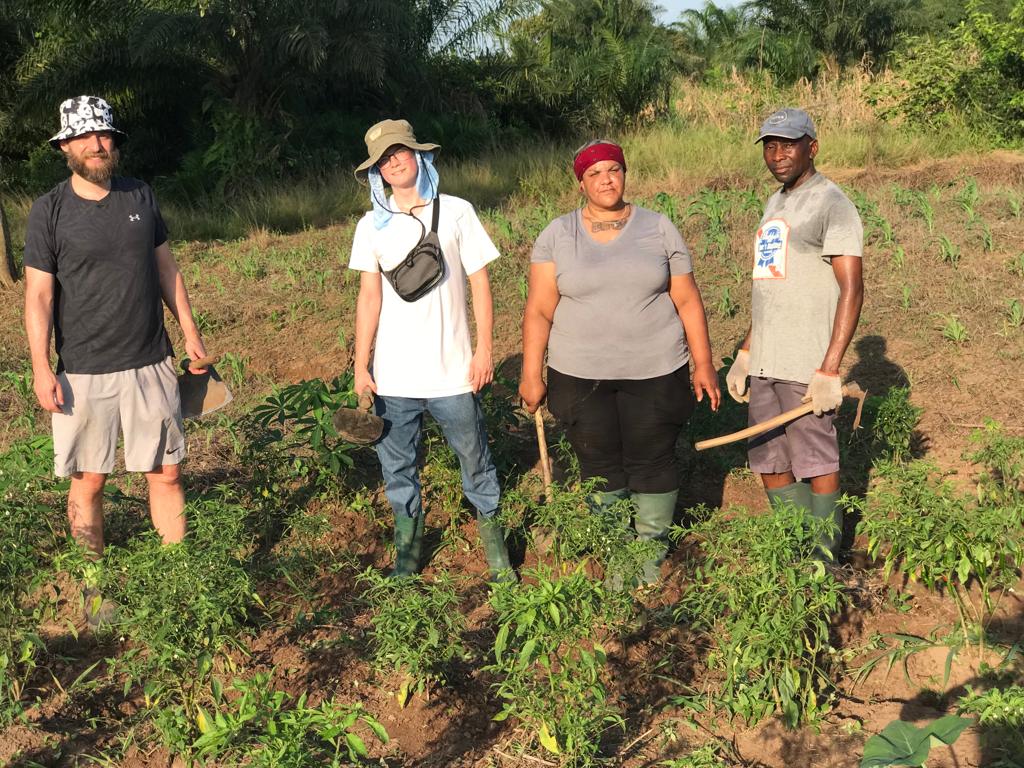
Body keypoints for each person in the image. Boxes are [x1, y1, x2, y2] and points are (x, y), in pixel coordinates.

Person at [23, 95, 208, 622]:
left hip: (150, 360)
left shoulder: (140, 196)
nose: (97, 144)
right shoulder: (49, 210)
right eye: (84, 137)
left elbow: (167, 269)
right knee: (90, 481)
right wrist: (40, 366)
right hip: (82, 369)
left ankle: (180, 584)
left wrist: (189, 332)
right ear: (65, 146)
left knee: (166, 473)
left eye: (104, 135)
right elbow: (38, 296)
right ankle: (94, 591)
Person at [519, 139, 721, 586]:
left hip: (655, 368)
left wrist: (703, 363)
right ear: (581, 182)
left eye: (614, 169)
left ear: (625, 174)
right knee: (598, 462)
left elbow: (687, 300)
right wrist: (531, 373)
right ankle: (615, 554)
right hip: (579, 373)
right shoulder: (558, 234)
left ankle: (648, 552)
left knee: (653, 458)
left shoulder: (659, 228)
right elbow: (539, 309)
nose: (606, 179)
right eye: (595, 173)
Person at [348, 119, 513, 581]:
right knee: (397, 467)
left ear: (418, 155)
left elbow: (480, 283)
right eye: (384, 158)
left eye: (400, 151)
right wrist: (362, 366)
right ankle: (408, 555)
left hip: (453, 372)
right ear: (376, 171)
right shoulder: (370, 226)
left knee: (475, 459)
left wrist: (484, 351)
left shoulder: (457, 211)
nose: (394, 161)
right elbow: (369, 297)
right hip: (394, 376)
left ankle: (496, 555)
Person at [725, 107, 864, 558]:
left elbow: (852, 290)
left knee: (817, 460)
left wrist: (830, 368)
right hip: (767, 359)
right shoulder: (775, 203)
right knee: (767, 459)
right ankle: (797, 548)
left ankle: (825, 557)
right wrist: (747, 351)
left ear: (812, 147)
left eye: (788, 143)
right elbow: (771, 285)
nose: (778, 153)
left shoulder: (832, 204)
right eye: (770, 145)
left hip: (806, 364)